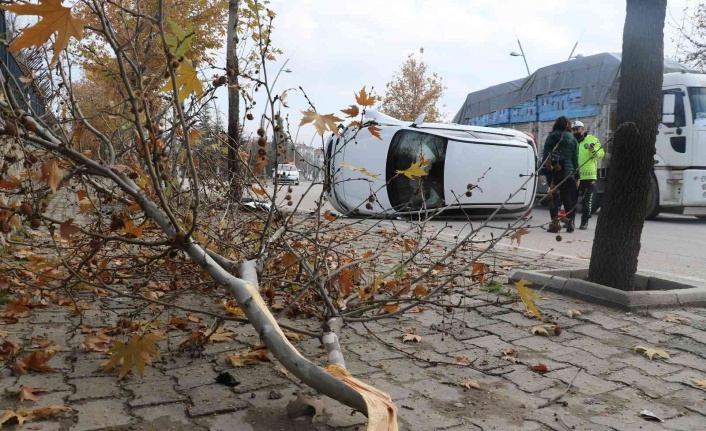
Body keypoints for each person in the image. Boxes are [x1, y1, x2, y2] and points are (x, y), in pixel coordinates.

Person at [542, 116, 580, 233]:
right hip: (568, 173)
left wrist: (546, 171)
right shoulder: (573, 139)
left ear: (556, 125)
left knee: (553, 198)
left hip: (554, 172)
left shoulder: (551, 137)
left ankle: (554, 224)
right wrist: (577, 176)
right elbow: (575, 159)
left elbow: (546, 158)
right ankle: (570, 223)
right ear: (568, 126)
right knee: (567, 198)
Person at [571, 120, 605, 230]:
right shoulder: (571, 141)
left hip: (588, 177)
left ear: (584, 129)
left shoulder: (592, 140)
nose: (576, 131)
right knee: (571, 201)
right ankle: (570, 222)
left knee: (586, 202)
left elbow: (600, 154)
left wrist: (593, 150)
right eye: (574, 130)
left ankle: (584, 222)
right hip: (574, 176)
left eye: (578, 129)